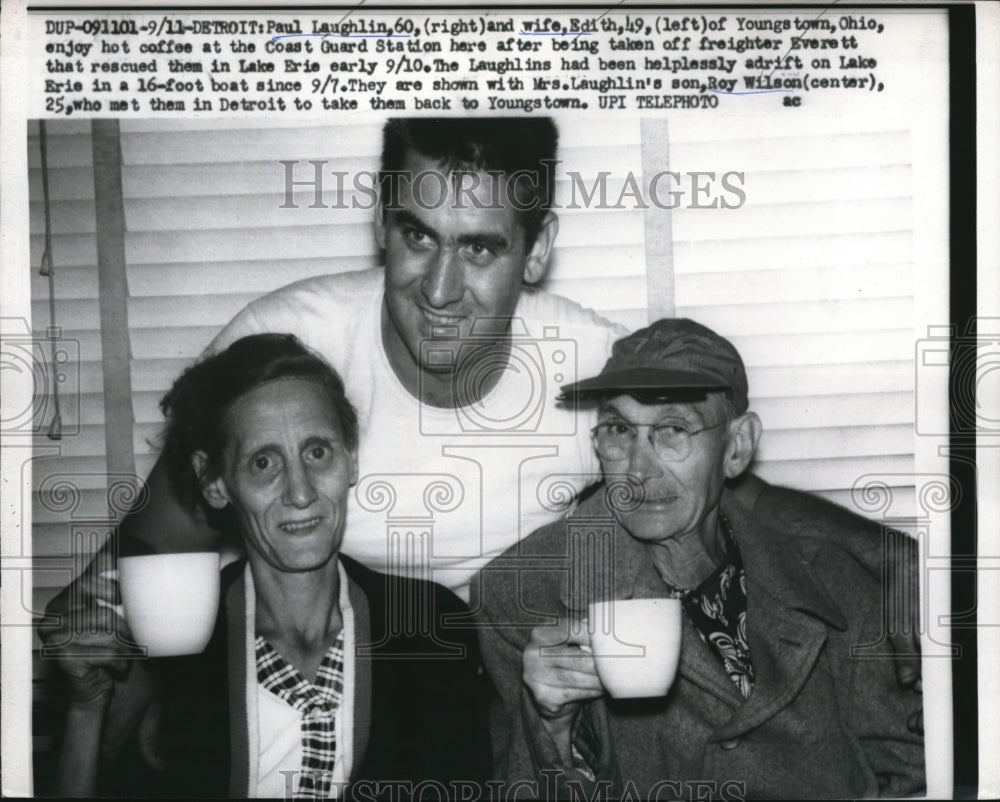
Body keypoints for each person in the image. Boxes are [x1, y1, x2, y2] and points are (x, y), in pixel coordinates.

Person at [40, 117, 920, 771]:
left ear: (535, 255)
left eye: (483, 248)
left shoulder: (585, 360)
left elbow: (721, 483)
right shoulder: (287, 344)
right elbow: (147, 562)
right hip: (339, 682)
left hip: (507, 694)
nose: (441, 289)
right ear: (381, 226)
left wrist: (892, 569)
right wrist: (79, 635)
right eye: (417, 237)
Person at [474, 318, 924, 799]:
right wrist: (551, 731)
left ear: (736, 447)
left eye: (673, 429)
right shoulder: (522, 596)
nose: (639, 469)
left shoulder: (833, 578)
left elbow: (912, 770)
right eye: (619, 428)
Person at [54, 334, 490, 798]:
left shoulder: (429, 629)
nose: (300, 493)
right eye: (263, 462)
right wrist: (87, 708)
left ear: (351, 458)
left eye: (318, 452)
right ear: (215, 482)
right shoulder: (177, 650)